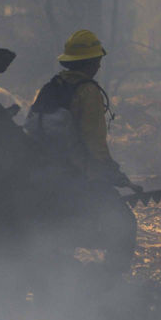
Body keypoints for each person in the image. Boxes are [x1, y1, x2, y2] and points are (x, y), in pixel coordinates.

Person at [27, 29, 137, 272]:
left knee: (58, 232)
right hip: (80, 176)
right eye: (97, 60)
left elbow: (32, 129)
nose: (99, 65)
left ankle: (64, 279)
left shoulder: (50, 87)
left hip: (43, 177)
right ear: (90, 63)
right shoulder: (87, 91)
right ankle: (111, 282)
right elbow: (94, 142)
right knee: (125, 225)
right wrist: (114, 173)